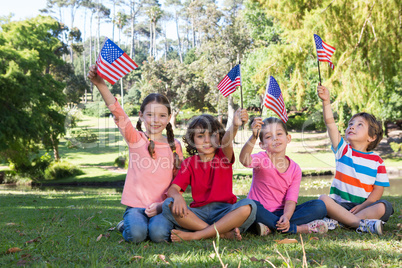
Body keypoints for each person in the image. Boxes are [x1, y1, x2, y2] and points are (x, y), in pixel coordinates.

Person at [88, 65, 183, 243]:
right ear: (141, 116)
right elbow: (118, 113)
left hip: (162, 207)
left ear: (169, 118)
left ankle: (152, 224)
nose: (156, 120)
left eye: (162, 115)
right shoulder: (136, 139)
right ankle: (126, 224)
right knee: (137, 235)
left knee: (159, 235)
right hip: (136, 207)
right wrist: (101, 84)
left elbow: (179, 181)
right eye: (150, 115)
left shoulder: (174, 145)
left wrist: (163, 206)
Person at [162, 110, 257, 242]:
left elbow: (227, 142)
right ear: (192, 140)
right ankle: (222, 233)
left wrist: (235, 126)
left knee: (249, 206)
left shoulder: (223, 155)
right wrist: (177, 196)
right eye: (200, 136)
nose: (207, 140)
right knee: (168, 204)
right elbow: (173, 189)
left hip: (225, 212)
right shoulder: (189, 163)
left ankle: (196, 235)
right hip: (199, 214)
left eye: (212, 135)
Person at [317, 84, 393, 235]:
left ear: (371, 137)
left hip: (364, 206)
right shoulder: (343, 151)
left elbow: (378, 189)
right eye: (350, 124)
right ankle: (358, 224)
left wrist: (366, 204)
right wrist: (326, 102)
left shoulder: (377, 161)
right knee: (323, 199)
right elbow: (331, 125)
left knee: (385, 207)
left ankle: (341, 222)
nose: (352, 127)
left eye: (359, 125)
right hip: (339, 205)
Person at [239, 117, 328, 236]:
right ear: (262, 145)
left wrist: (286, 216)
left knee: (319, 206)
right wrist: (253, 137)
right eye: (269, 137)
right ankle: (297, 229)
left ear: (288, 138)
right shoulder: (261, 159)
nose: (275, 138)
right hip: (260, 211)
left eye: (279, 134)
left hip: (282, 213)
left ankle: (270, 227)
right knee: (249, 205)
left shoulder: (295, 169)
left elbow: (291, 200)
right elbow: (244, 160)